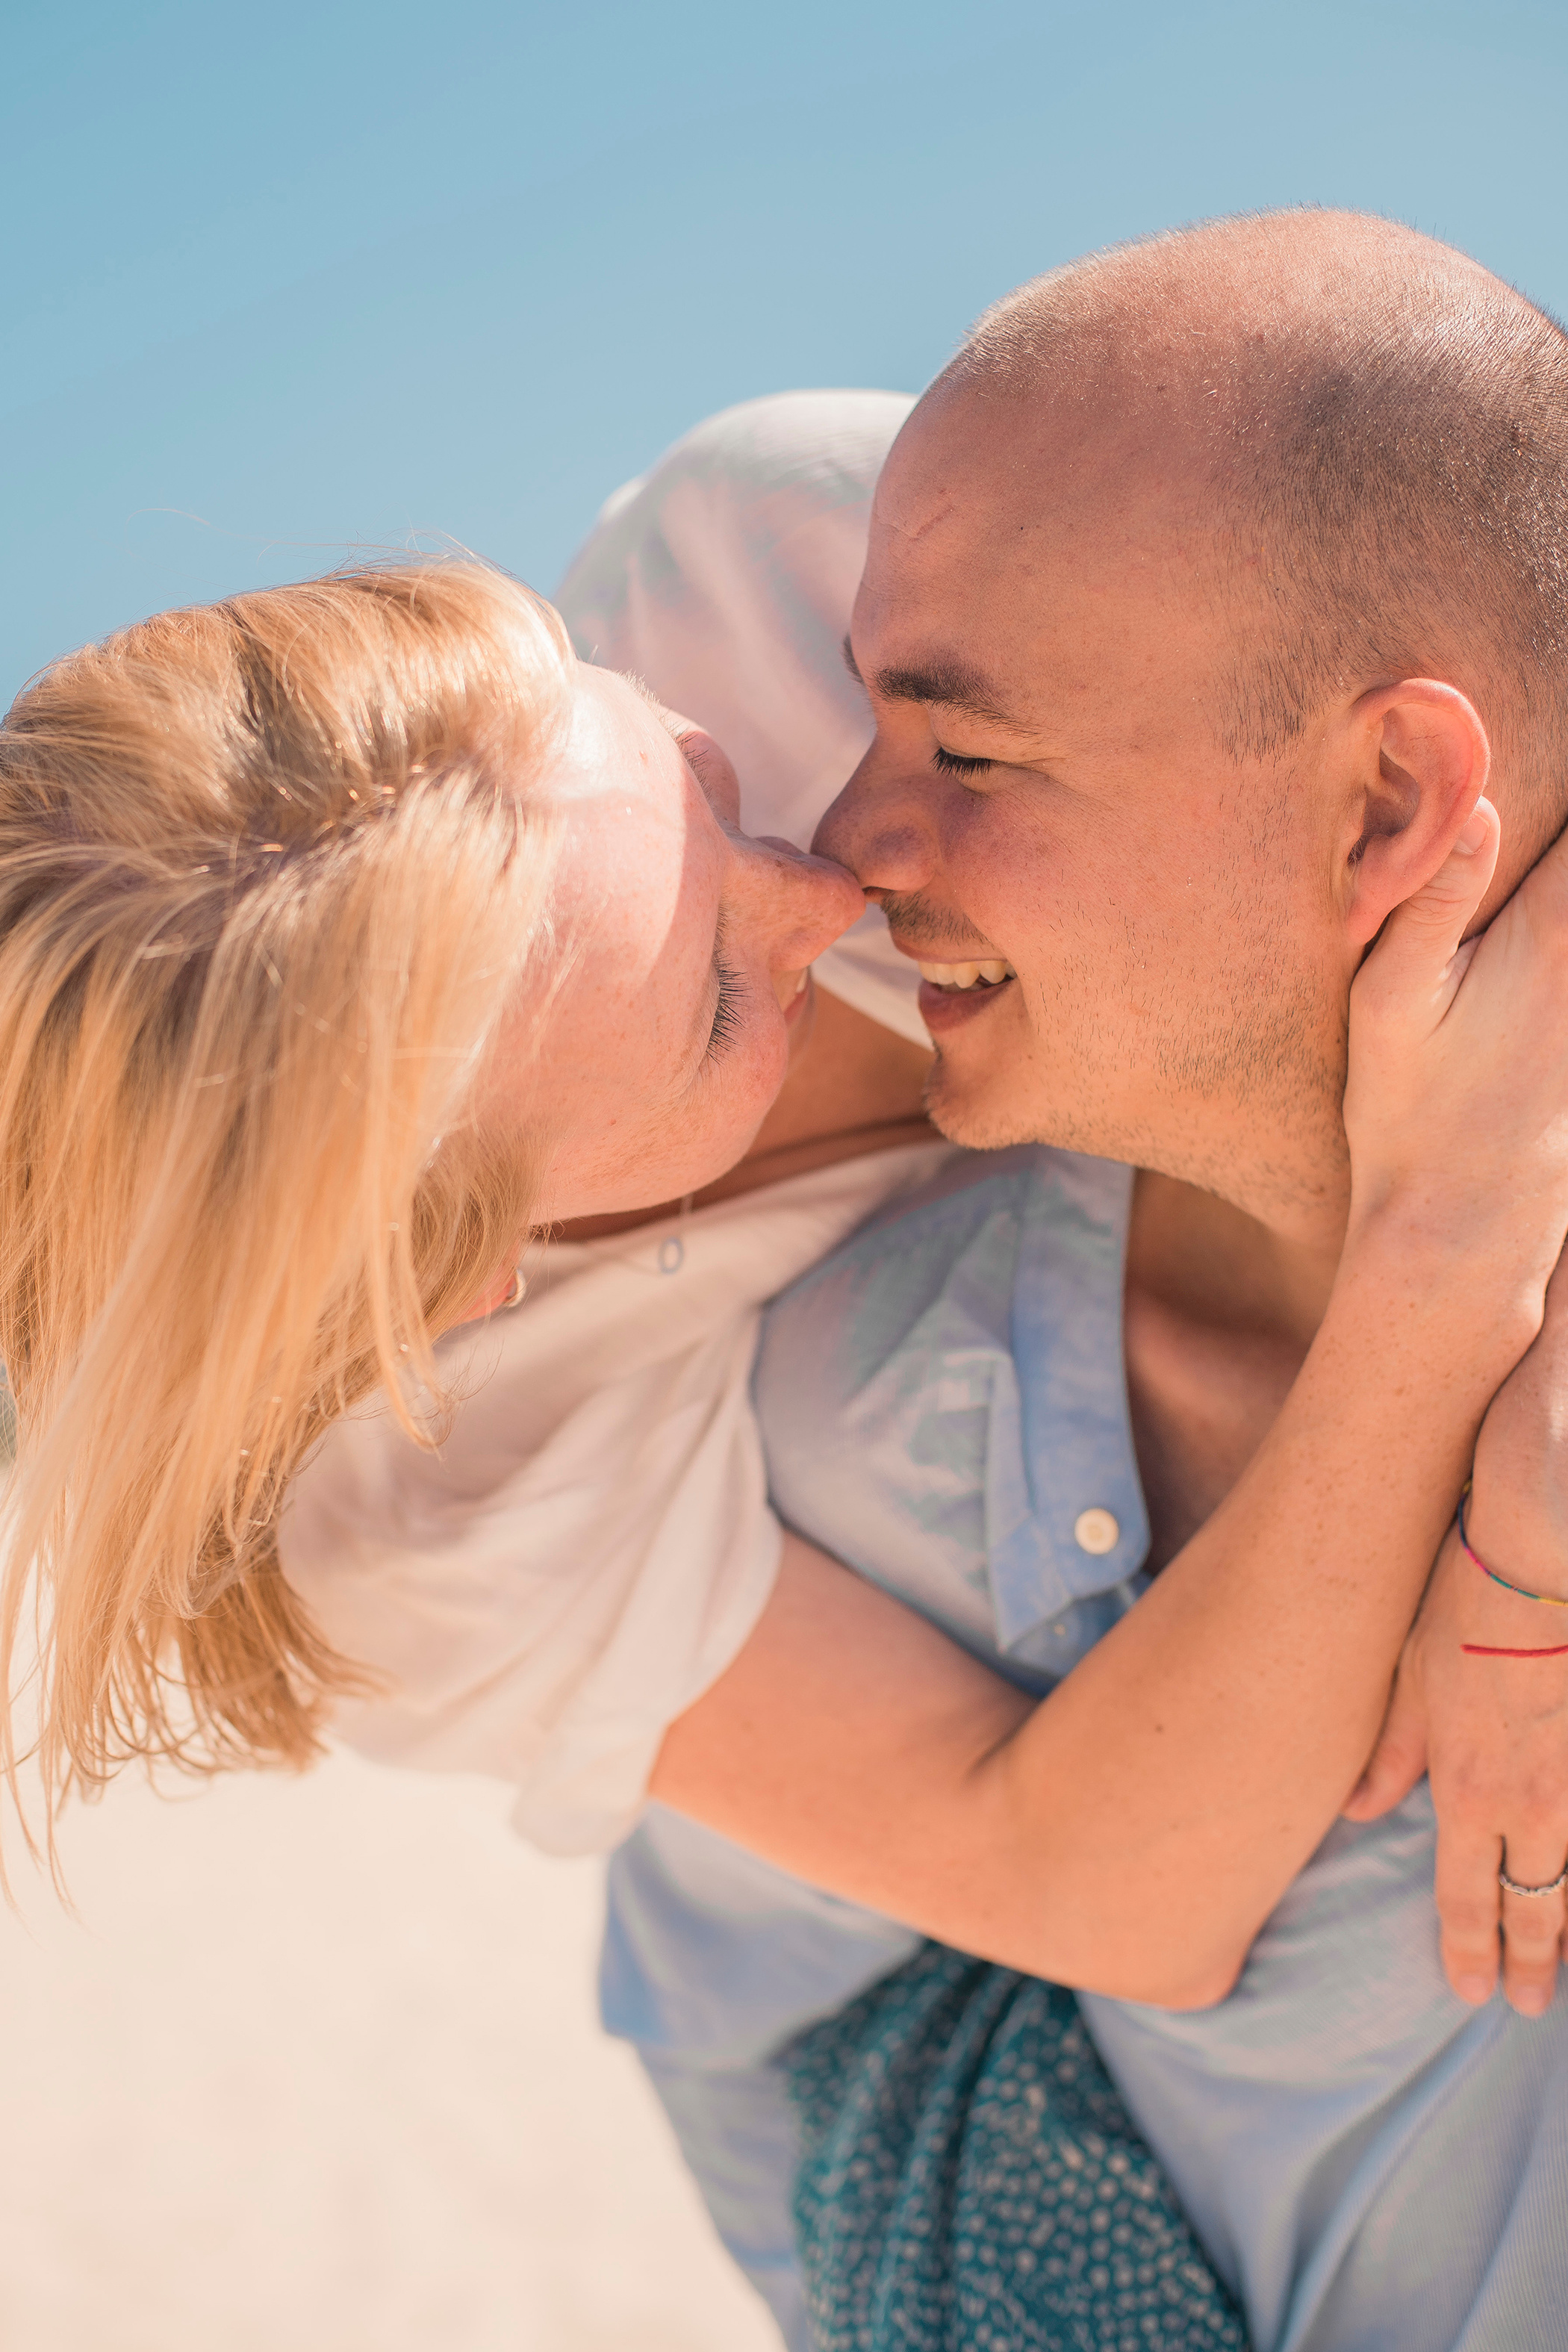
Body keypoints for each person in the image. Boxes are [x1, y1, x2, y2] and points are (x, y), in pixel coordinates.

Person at [0, 235, 1563, 2352]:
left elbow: (1493, 710)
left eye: (704, 783)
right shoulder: (414, 1486)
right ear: (461, 1264)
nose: (833, 875)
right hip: (913, 1975)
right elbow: (1095, 1889)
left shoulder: (775, 569)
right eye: (720, 998)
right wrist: (1449, 1290)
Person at [594, 211, 1568, 2351]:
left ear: (1388, 800)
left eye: (972, 752)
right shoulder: (824, 1442)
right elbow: (786, 2112)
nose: (852, 843)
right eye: (870, 726)